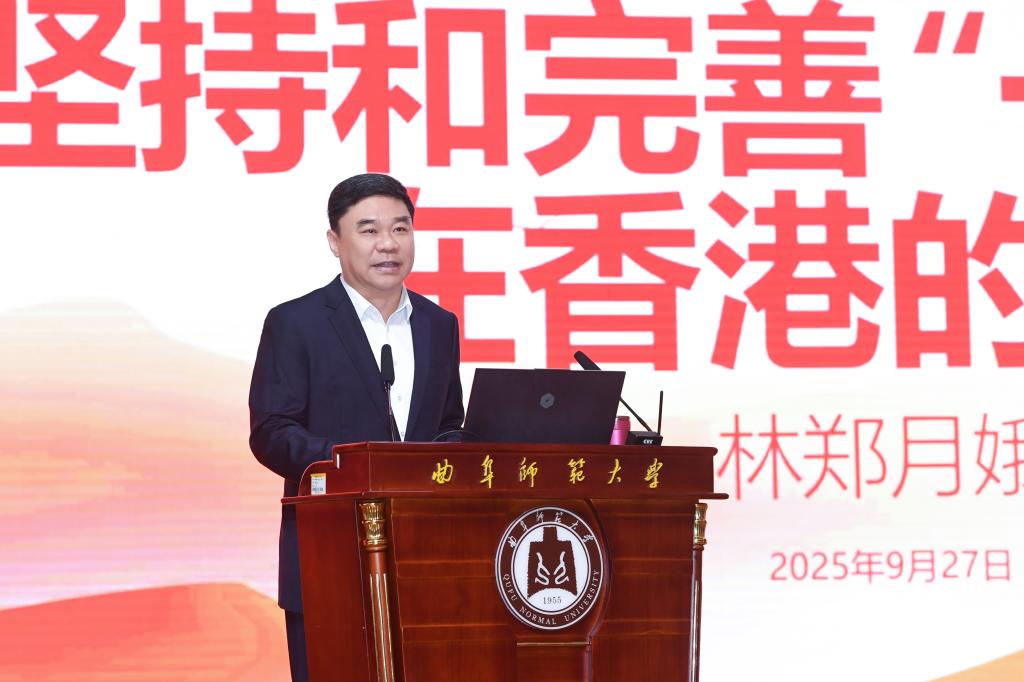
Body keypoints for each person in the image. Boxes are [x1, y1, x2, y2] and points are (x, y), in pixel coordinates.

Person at [248, 173, 465, 682]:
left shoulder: (439, 324)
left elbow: (448, 423)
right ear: (335, 241)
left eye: (401, 228)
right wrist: (355, 466)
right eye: (369, 230)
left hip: (427, 558)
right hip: (327, 554)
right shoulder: (296, 322)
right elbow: (272, 431)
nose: (388, 244)